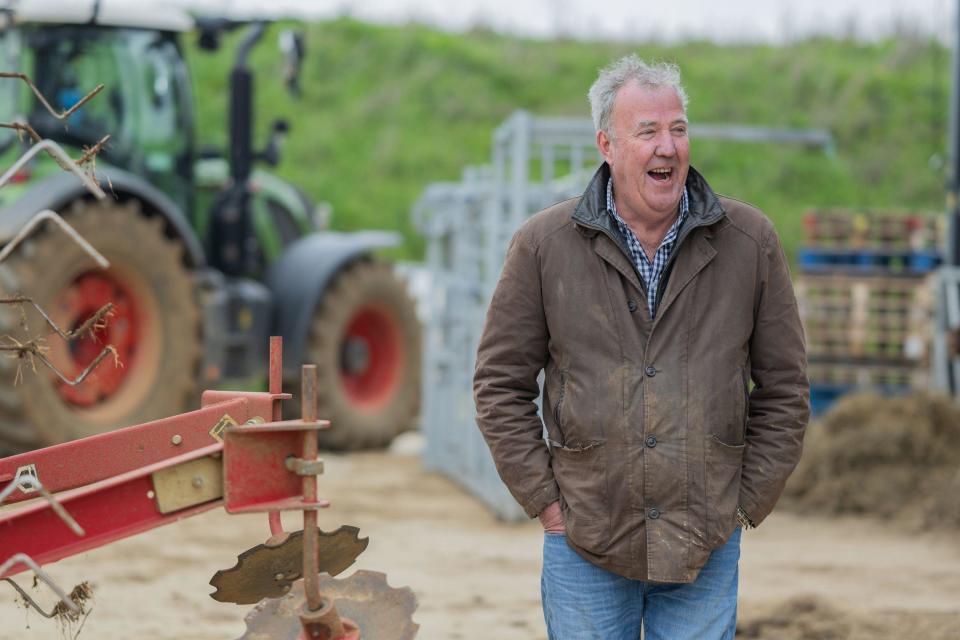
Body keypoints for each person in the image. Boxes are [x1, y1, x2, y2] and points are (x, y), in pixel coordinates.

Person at [473, 55, 809, 640]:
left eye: (678, 129)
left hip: (704, 542)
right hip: (586, 539)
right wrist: (546, 501)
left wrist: (742, 504)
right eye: (647, 131)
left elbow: (785, 387)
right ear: (607, 143)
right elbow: (499, 384)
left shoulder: (749, 242)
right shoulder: (543, 246)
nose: (668, 147)